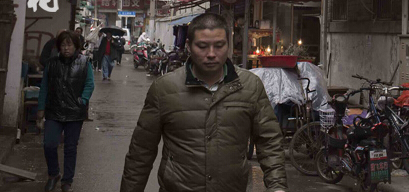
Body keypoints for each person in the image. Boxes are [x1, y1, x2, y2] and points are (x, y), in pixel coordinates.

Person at [120, 13, 287, 192]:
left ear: (228, 45)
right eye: (202, 46)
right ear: (189, 46)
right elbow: (140, 153)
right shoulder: (164, 89)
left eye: (219, 45)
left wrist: (277, 187)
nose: (211, 54)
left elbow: (269, 143)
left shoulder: (250, 86)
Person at [37, 30, 94, 192]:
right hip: (54, 110)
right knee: (49, 144)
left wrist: (82, 100)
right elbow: (45, 87)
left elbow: (89, 84)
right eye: (63, 45)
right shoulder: (52, 63)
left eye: (69, 45)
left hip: (74, 112)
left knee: (70, 148)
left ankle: (67, 181)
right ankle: (53, 174)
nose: (66, 48)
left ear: (76, 46)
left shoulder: (84, 62)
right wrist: (41, 108)